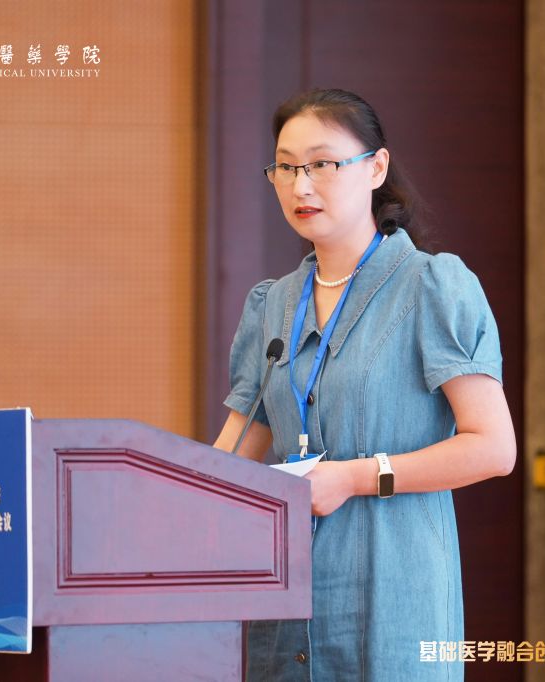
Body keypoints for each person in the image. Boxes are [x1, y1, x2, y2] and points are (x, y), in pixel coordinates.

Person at [213, 88, 516, 681]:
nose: (301, 186)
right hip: (285, 607)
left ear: (376, 168)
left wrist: (353, 477)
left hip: (395, 604)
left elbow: (493, 448)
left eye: (322, 164)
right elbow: (231, 459)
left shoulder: (431, 286)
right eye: (286, 168)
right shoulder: (270, 306)